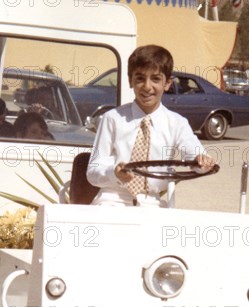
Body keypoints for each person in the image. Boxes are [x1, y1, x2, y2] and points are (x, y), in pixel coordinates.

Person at [86, 45, 215, 207]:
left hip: (151, 202)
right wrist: (114, 173)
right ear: (130, 81)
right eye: (140, 78)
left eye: (155, 79)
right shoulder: (112, 119)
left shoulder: (177, 123)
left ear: (167, 83)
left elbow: (194, 153)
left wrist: (201, 161)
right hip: (112, 200)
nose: (147, 87)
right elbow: (93, 173)